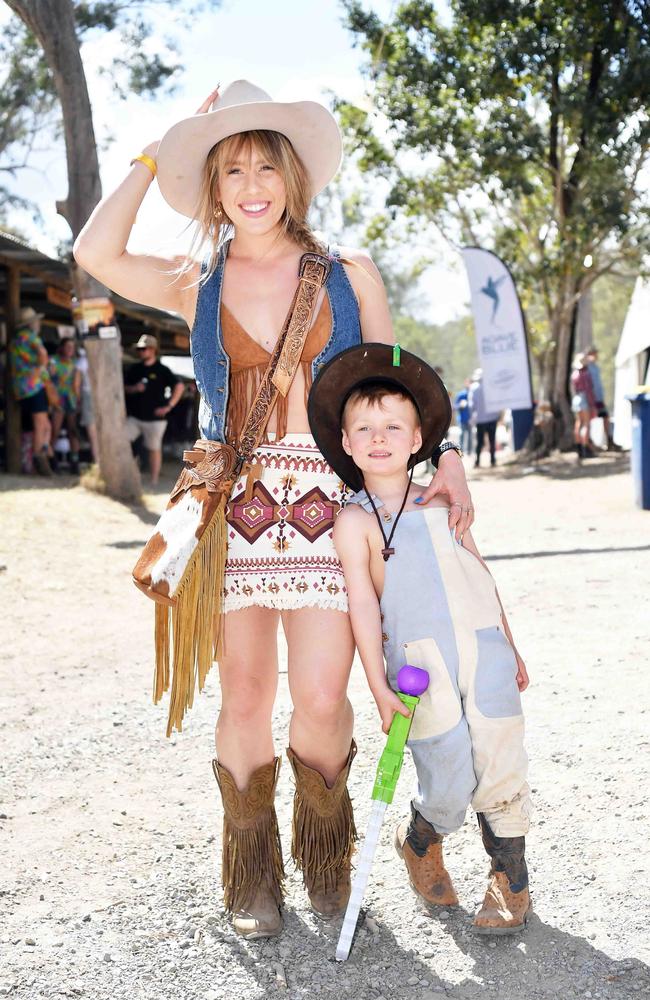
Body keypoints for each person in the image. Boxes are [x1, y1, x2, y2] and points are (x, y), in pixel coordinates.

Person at [73, 79, 474, 939]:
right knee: (246, 695)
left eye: (266, 166)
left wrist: (444, 461)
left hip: (329, 507)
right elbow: (95, 250)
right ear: (213, 187)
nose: (251, 185)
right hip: (236, 508)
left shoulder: (348, 272)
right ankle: (252, 876)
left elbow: (395, 385)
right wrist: (163, 147)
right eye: (229, 170)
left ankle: (329, 866)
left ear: (293, 175)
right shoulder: (198, 280)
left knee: (325, 697)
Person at [308, 343, 532, 935]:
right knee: (449, 773)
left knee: (501, 752)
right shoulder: (353, 521)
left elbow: (478, 569)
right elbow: (361, 602)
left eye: (393, 427)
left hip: (483, 645)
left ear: (417, 440)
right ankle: (422, 836)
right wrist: (378, 687)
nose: (379, 437)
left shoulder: (440, 497)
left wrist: (511, 643)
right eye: (365, 428)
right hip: (419, 667)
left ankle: (510, 877)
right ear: (347, 443)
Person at [124, 334, 185, 485]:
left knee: (153, 449)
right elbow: (124, 388)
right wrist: (134, 388)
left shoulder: (162, 370)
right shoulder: (134, 368)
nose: (141, 352)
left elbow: (180, 386)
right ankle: (130, 474)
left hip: (155, 419)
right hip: (135, 417)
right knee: (121, 441)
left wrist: (169, 406)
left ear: (152, 350)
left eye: (144, 349)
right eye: (139, 349)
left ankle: (154, 480)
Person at [9, 307, 53, 476]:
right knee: (41, 423)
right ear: (32, 322)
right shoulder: (30, 336)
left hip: (20, 388)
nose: (39, 323)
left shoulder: (16, 339)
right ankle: (38, 458)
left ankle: (41, 456)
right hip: (33, 385)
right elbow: (43, 353)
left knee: (42, 424)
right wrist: (42, 368)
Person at [49, 337, 82, 474]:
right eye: (67, 346)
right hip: (58, 399)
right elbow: (50, 379)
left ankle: (74, 461)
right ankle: (51, 460)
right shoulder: (54, 361)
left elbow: (77, 385)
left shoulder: (75, 363)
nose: (70, 349)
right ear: (61, 347)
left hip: (71, 399)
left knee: (73, 431)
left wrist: (79, 399)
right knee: (55, 431)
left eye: (72, 347)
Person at [585, 346, 620, 451]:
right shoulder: (586, 368)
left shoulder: (595, 367)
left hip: (599, 399)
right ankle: (589, 443)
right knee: (588, 421)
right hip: (591, 399)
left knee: (606, 418)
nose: (596, 356)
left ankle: (610, 441)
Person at [468, 368, 500, 468]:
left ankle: (477, 462)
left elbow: (471, 405)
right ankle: (493, 460)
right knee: (492, 440)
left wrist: (473, 416)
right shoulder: (492, 386)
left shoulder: (473, 388)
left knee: (480, 441)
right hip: (492, 417)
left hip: (480, 419)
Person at [569, 352, 596, 460]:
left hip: (576, 399)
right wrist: (592, 403)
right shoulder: (586, 374)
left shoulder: (574, 374)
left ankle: (579, 448)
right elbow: (589, 390)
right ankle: (585, 449)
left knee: (578, 423)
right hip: (584, 398)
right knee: (585, 424)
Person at [76, 347, 99, 464]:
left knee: (93, 433)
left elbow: (76, 384)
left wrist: (78, 401)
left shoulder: (82, 362)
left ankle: (97, 462)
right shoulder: (102, 357)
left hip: (88, 395)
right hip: (103, 395)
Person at [454, 378, 472, 454]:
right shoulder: (461, 394)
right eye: (467, 383)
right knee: (462, 436)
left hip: (471, 419)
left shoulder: (473, 393)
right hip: (462, 419)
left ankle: (469, 451)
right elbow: (455, 406)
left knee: (470, 436)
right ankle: (461, 451)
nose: (468, 384)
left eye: (469, 383)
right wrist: (460, 405)